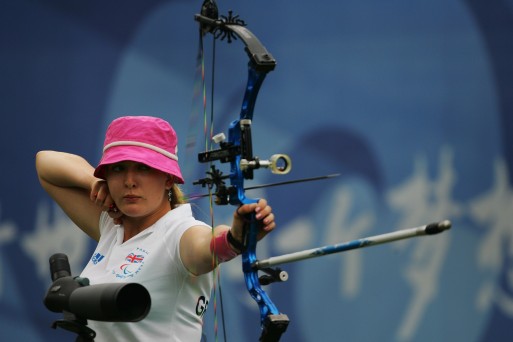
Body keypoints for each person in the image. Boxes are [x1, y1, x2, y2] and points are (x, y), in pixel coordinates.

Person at [35, 115, 276, 341]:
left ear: (168, 179)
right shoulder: (112, 225)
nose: (129, 181)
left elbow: (208, 245)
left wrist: (235, 238)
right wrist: (94, 181)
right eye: (118, 168)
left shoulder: (179, 233)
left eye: (143, 168)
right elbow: (45, 163)